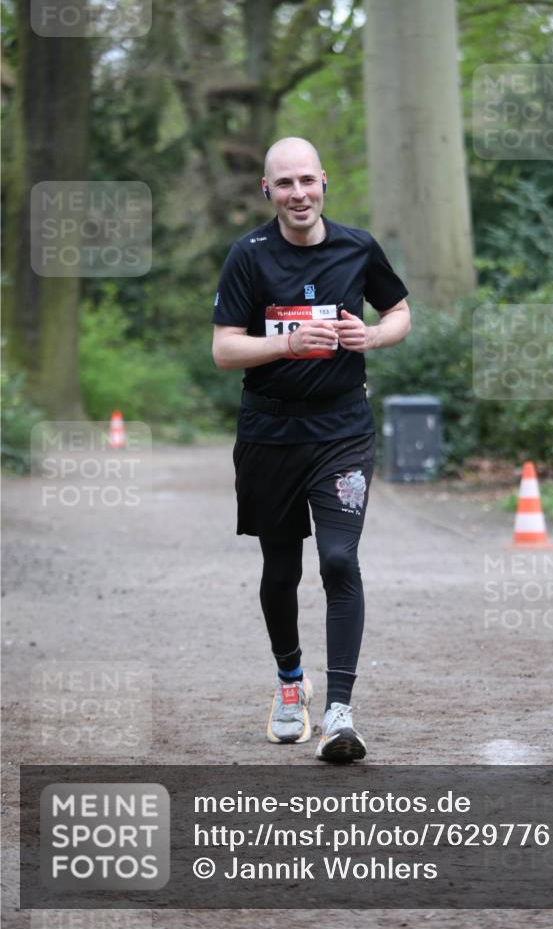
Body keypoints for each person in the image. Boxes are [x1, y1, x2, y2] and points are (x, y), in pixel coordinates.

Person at [212, 136, 410, 763]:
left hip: (342, 431)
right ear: (266, 191)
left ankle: (340, 713)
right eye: (285, 184)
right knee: (282, 567)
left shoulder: (357, 247)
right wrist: (286, 345)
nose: (299, 194)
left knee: (337, 559)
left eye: (308, 181)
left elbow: (400, 310)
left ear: (324, 181)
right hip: (270, 433)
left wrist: (372, 335)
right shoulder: (248, 257)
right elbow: (224, 350)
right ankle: (291, 683)